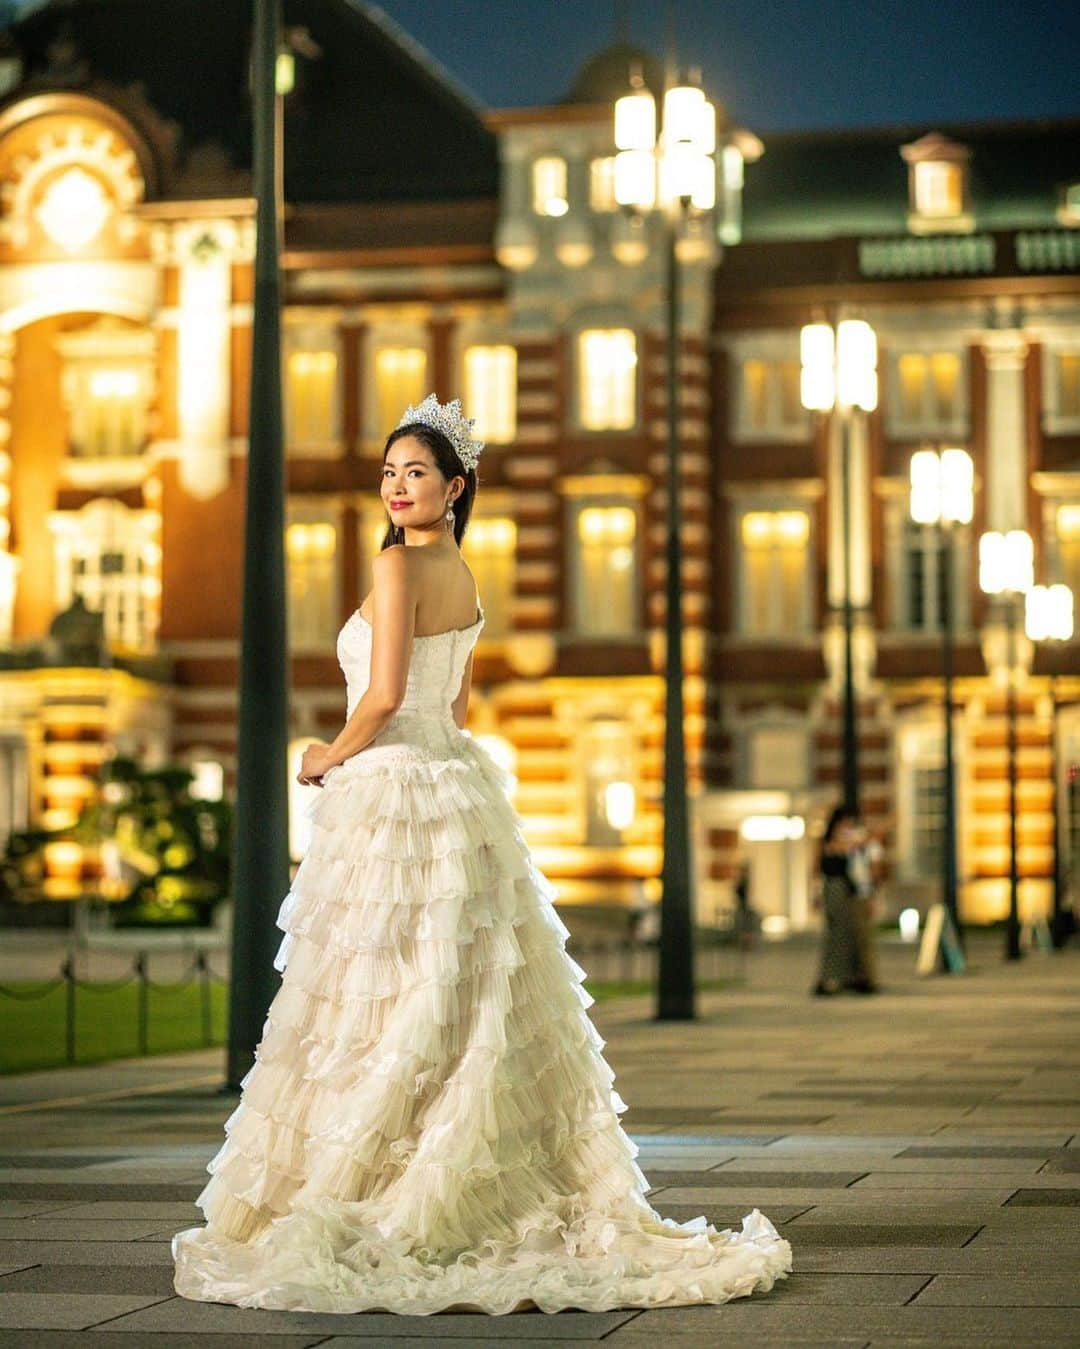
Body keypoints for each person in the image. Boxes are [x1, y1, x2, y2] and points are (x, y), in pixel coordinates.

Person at [172, 395, 791, 1316]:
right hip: (453, 784)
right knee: (456, 990)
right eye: (388, 473)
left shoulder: (397, 567)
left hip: (391, 788)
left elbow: (383, 695)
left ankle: (385, 1178)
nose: (395, 487)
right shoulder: (462, 572)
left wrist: (326, 754)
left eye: (415, 473)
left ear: (455, 487)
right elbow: (450, 704)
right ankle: (454, 1163)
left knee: (374, 991)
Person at [813, 805, 879, 996]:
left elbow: (866, 848)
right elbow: (816, 868)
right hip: (833, 889)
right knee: (836, 934)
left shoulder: (852, 842)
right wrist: (815, 894)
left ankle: (852, 977)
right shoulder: (828, 842)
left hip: (849, 889)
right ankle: (829, 979)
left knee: (852, 934)